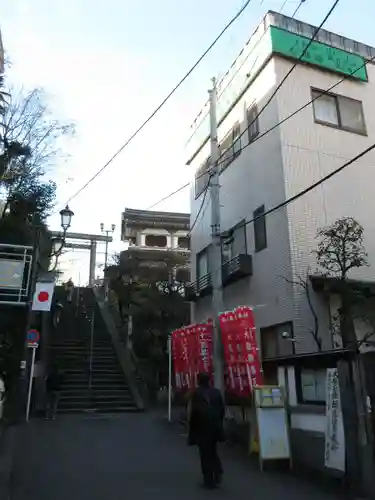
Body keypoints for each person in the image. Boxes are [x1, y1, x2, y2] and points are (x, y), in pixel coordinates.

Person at [188, 372, 225, 489]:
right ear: (209, 380)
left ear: (199, 381)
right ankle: (217, 469)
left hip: (202, 428)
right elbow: (222, 410)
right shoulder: (216, 392)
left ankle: (208, 481)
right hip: (215, 427)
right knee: (212, 450)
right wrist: (219, 424)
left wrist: (191, 429)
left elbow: (194, 412)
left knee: (204, 454)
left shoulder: (197, 394)